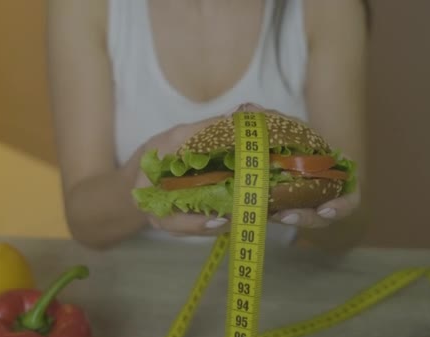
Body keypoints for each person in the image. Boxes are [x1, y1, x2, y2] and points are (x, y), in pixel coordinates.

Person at [47, 0, 369, 250]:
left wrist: (324, 204)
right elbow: (84, 224)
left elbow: (351, 229)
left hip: (276, 281)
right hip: (138, 282)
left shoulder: (329, 9)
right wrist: (139, 184)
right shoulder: (86, 7)